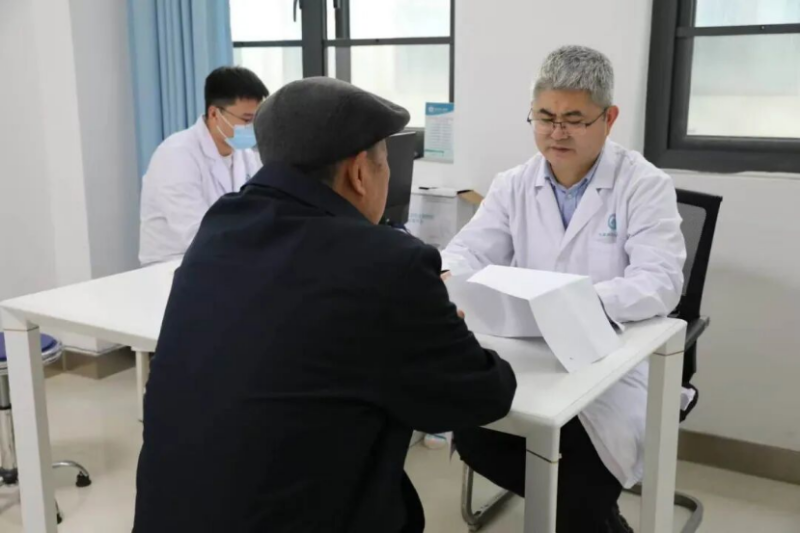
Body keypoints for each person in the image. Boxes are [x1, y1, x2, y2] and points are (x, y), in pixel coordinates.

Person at [132, 77, 517, 533]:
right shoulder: (387, 263)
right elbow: (483, 395)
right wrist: (444, 330)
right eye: (384, 163)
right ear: (359, 173)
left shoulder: (218, 232)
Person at [443, 45, 687, 532]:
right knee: (474, 433)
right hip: (528, 354)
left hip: (612, 358)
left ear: (608, 118)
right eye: (545, 117)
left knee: (580, 488)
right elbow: (466, 251)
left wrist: (569, 304)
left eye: (574, 119)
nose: (556, 133)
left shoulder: (643, 185)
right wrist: (451, 278)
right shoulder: (513, 184)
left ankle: (591, 515)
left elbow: (660, 282)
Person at [138, 66, 269, 265]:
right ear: (214, 113)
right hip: (173, 265)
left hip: (223, 259)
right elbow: (195, 232)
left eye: (257, 119)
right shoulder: (176, 155)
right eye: (246, 119)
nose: (253, 128)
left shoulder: (245, 156)